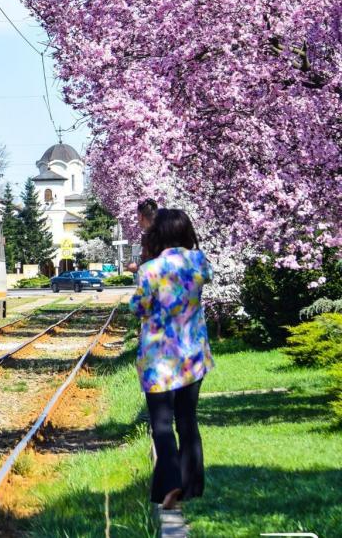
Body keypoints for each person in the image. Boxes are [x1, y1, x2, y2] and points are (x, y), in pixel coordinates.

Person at [129, 209, 213, 510]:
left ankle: (169, 483)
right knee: (188, 421)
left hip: (159, 359)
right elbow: (205, 280)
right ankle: (193, 486)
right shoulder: (199, 262)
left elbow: (139, 308)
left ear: (159, 234)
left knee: (162, 425)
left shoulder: (150, 270)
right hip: (192, 356)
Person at [127, 198, 159, 272]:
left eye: (137, 215)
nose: (137, 218)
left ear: (141, 216)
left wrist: (135, 267)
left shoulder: (151, 236)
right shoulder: (165, 230)